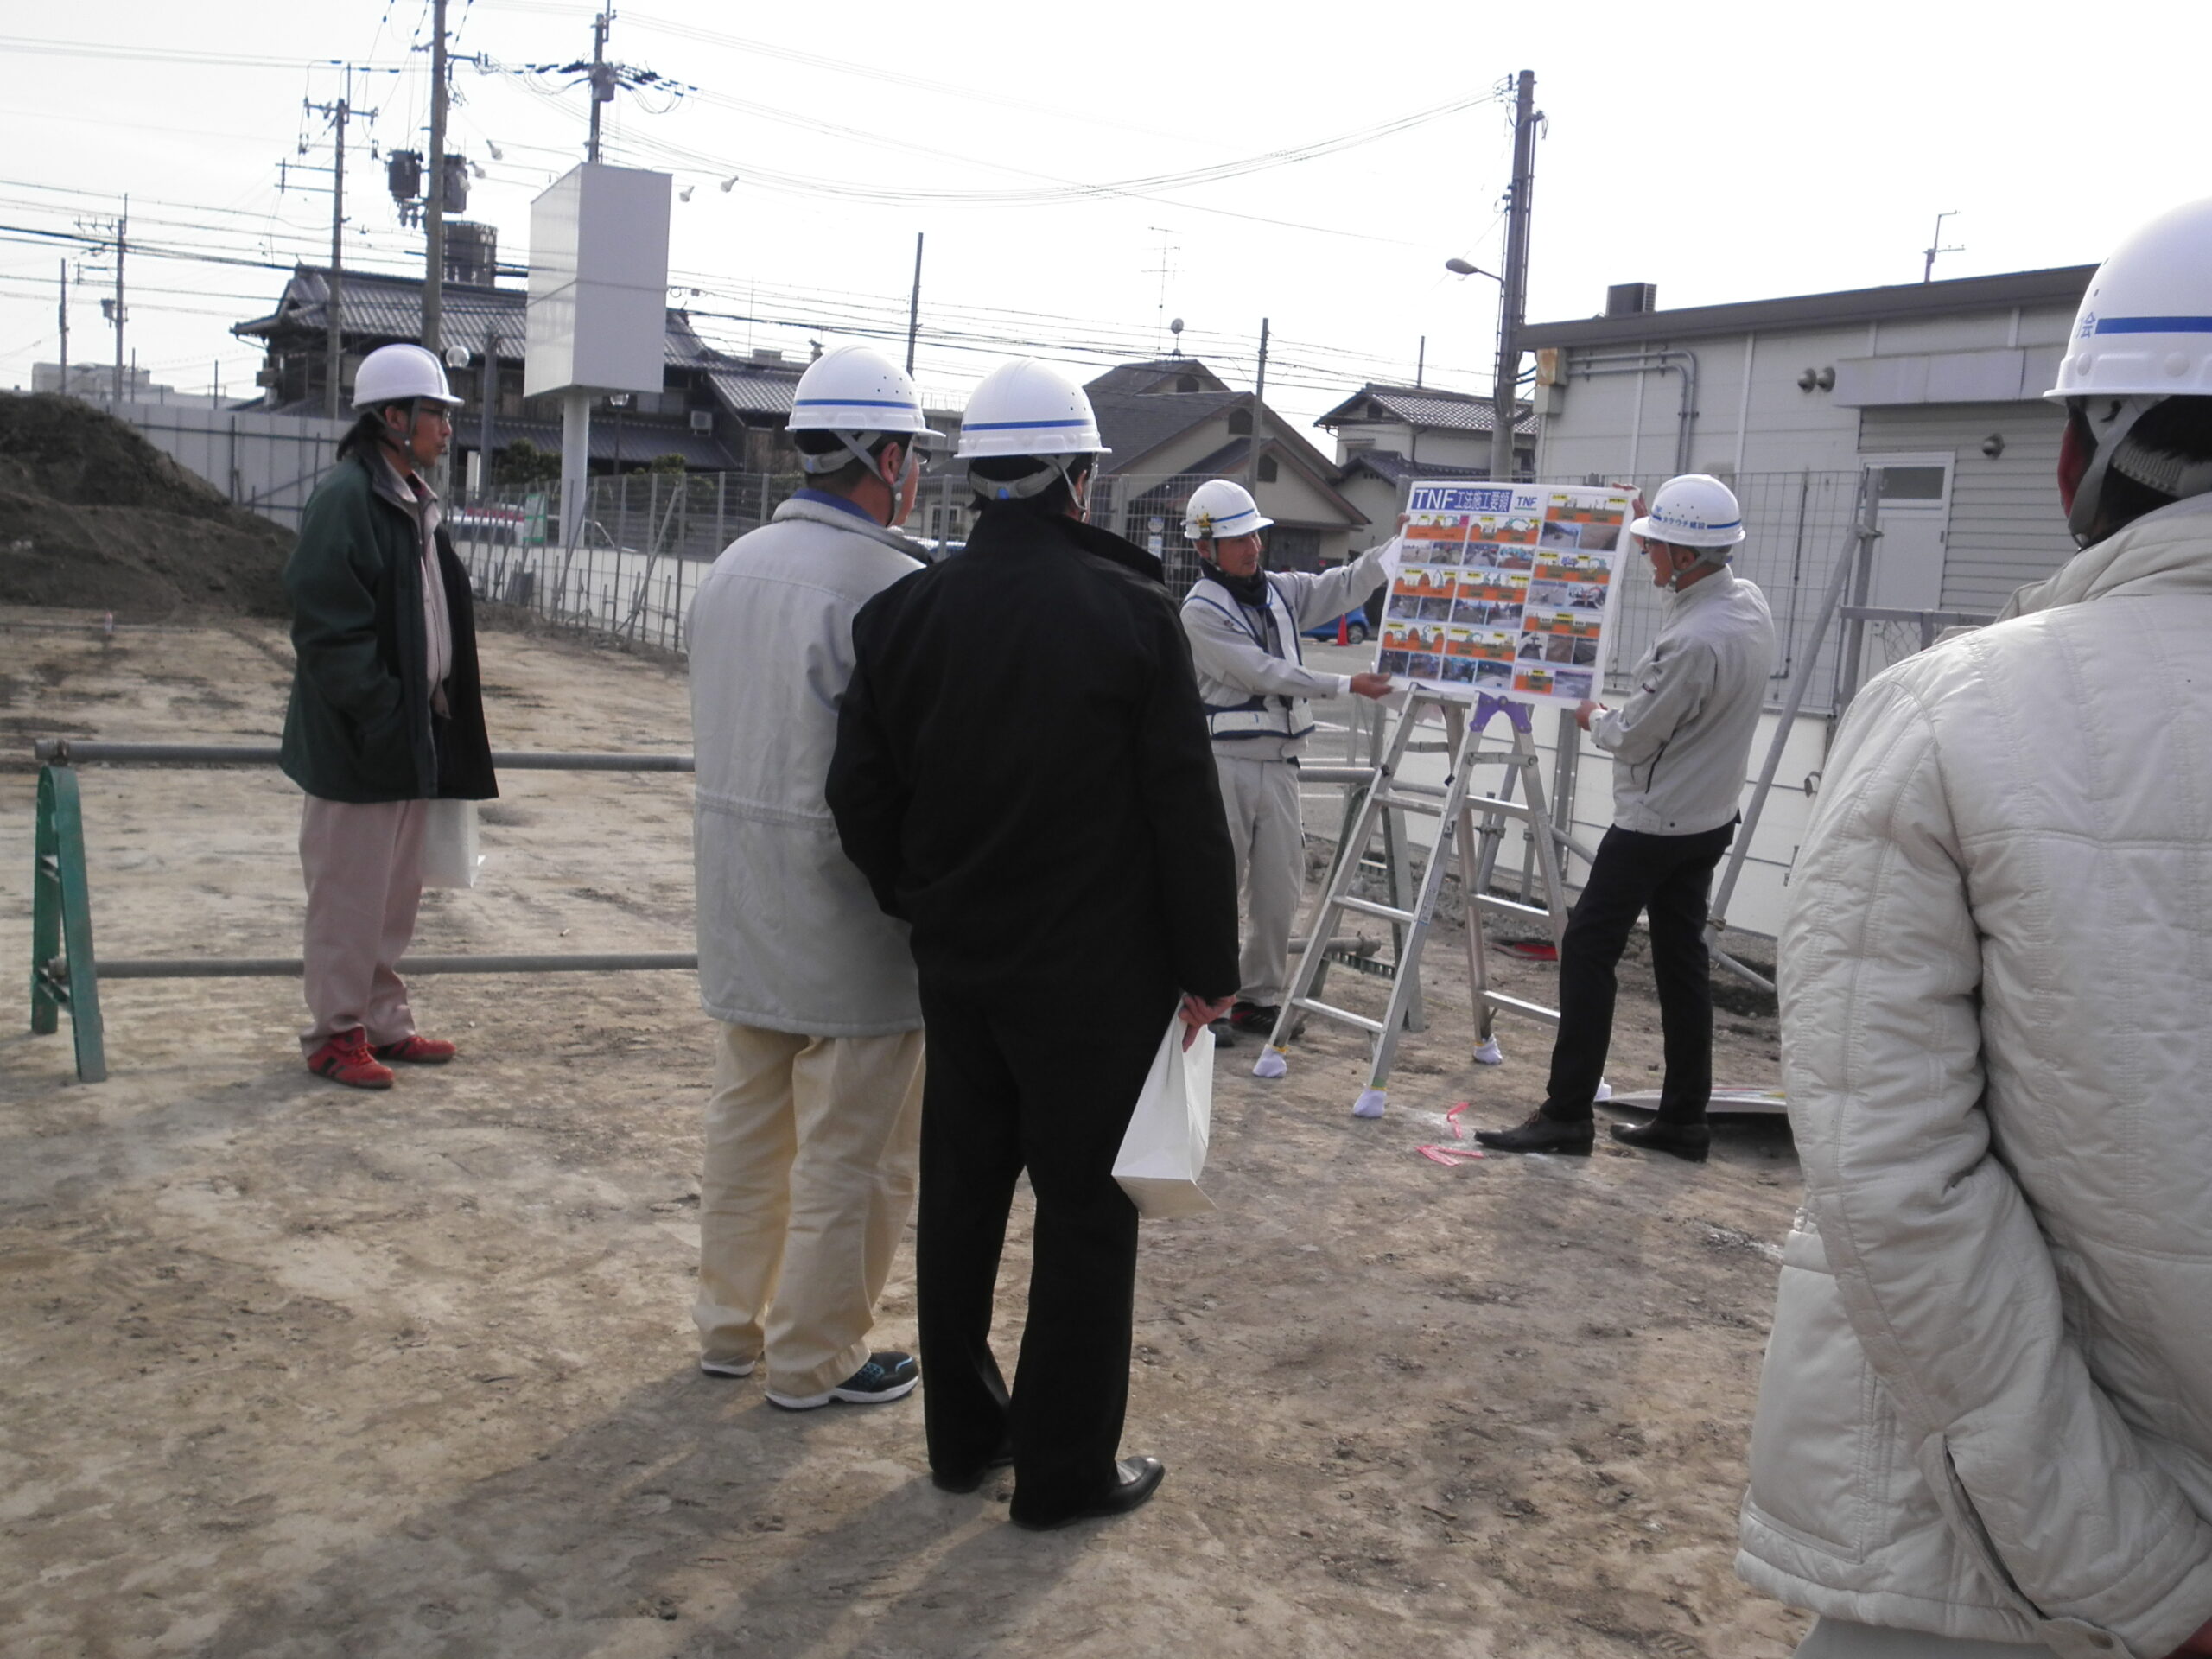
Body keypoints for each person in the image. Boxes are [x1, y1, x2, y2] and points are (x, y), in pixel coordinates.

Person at [1737, 199, 2212, 1659]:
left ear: (2083, 453)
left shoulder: (1963, 711)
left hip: (1990, 1580)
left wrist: (2143, 1579)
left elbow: (1896, 1184)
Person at [826, 358, 1239, 1530]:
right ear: (1079, 476)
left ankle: (965, 1441)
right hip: (1099, 982)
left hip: (959, 963)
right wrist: (1210, 972)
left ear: (973, 479)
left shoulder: (903, 613)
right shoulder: (1130, 618)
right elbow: (1181, 811)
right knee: (1087, 1216)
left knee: (960, 1199)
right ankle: (1062, 1472)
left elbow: (857, 793)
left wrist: (921, 897)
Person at [686, 345, 935, 1411]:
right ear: (885, 458)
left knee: (747, 1120)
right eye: (912, 453)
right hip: (849, 912)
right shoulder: (891, 585)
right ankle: (815, 1355)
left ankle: (729, 1329)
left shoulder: (735, 565)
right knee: (855, 1148)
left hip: (742, 890)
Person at [1474, 474, 1773, 1162]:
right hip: (1707, 816)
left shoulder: (1693, 640)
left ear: (1688, 556)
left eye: (1656, 545)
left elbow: (1634, 733)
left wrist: (1589, 713)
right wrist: (1646, 519)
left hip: (1655, 822)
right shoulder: (1743, 603)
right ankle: (1684, 1119)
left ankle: (1567, 1113)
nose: (1647, 555)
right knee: (1680, 961)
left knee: (1587, 949)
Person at [279, 342, 495, 1090]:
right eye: (436, 412)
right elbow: (327, 630)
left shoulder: (411, 502)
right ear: (392, 418)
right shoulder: (349, 500)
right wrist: (380, 711)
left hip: (404, 735)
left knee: (393, 891)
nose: (445, 427)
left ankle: (381, 1022)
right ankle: (334, 1033)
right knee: (348, 893)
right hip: (360, 742)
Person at [1178, 478, 1395, 1040]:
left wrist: (1395, 553)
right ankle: (1213, 1001)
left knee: (1280, 887)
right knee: (1218, 888)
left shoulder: (1277, 589)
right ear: (1205, 549)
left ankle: (1260, 997)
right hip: (1225, 761)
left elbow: (1341, 586)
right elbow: (1261, 672)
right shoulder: (1199, 611)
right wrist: (1347, 682)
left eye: (1254, 534)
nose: (1252, 547)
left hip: (1280, 761)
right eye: (1237, 539)